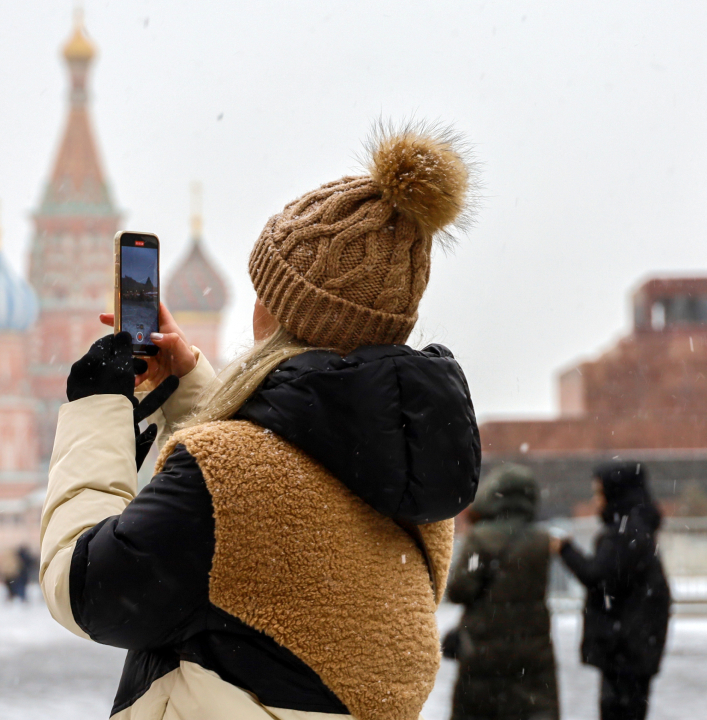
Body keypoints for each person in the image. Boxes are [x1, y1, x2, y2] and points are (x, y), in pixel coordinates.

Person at [40, 124, 480, 718]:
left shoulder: (231, 479)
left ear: (277, 311)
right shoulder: (413, 489)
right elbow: (296, 503)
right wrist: (191, 387)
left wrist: (96, 410)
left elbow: (84, 587)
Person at [554, 461, 670, 720]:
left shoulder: (625, 533)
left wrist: (566, 550)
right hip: (635, 645)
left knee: (620, 709)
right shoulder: (637, 529)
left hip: (625, 648)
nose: (595, 501)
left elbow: (598, 576)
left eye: (599, 493)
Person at [447, 464, 558, 720]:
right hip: (533, 645)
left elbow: (460, 590)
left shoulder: (480, 538)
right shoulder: (542, 540)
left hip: (484, 645)